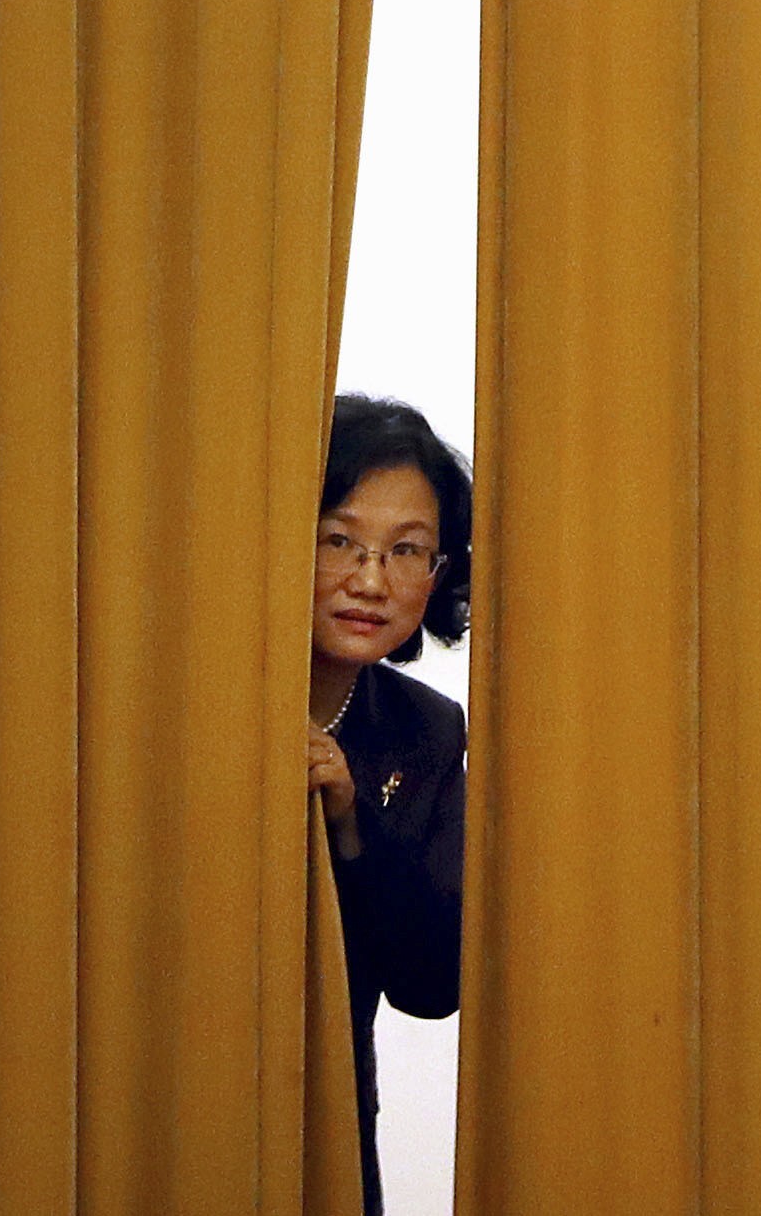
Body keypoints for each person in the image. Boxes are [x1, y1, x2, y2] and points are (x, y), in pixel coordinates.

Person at [307, 393, 469, 1216]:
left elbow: (432, 982)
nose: (369, 580)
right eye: (339, 540)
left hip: (326, 1118)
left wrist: (348, 819)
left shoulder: (425, 731)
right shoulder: (192, 706)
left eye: (406, 551)